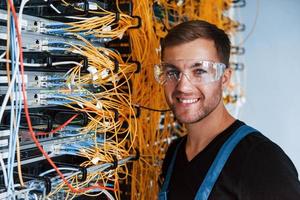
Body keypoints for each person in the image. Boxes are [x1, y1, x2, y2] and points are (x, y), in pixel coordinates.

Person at [155, 20, 300, 200]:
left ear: (224, 78)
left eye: (199, 71)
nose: (183, 86)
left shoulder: (261, 161)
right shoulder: (174, 153)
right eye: (172, 72)